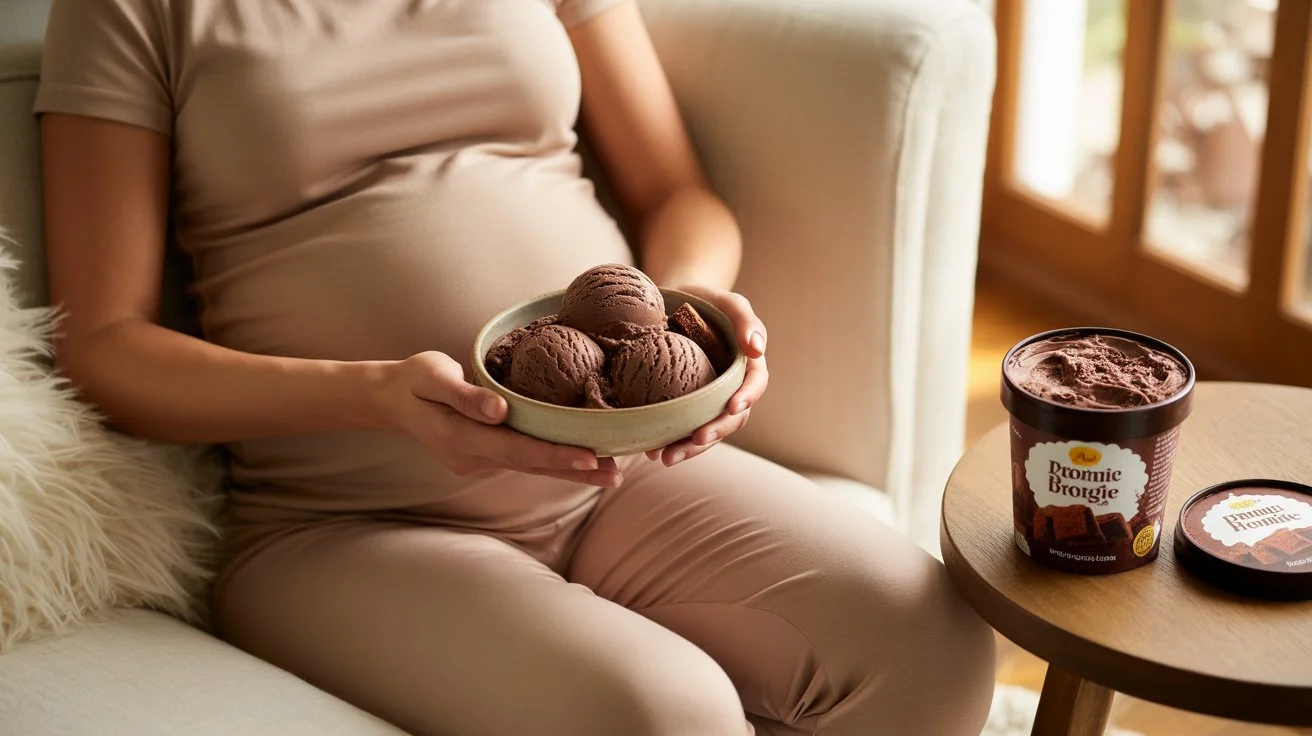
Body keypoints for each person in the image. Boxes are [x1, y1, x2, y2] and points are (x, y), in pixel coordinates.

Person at [34, 1, 996, 734]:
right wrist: (374, 397)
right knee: (669, 717)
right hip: (347, 523)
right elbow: (102, 343)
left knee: (932, 644)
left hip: (617, 478)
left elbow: (678, 192)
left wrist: (683, 313)